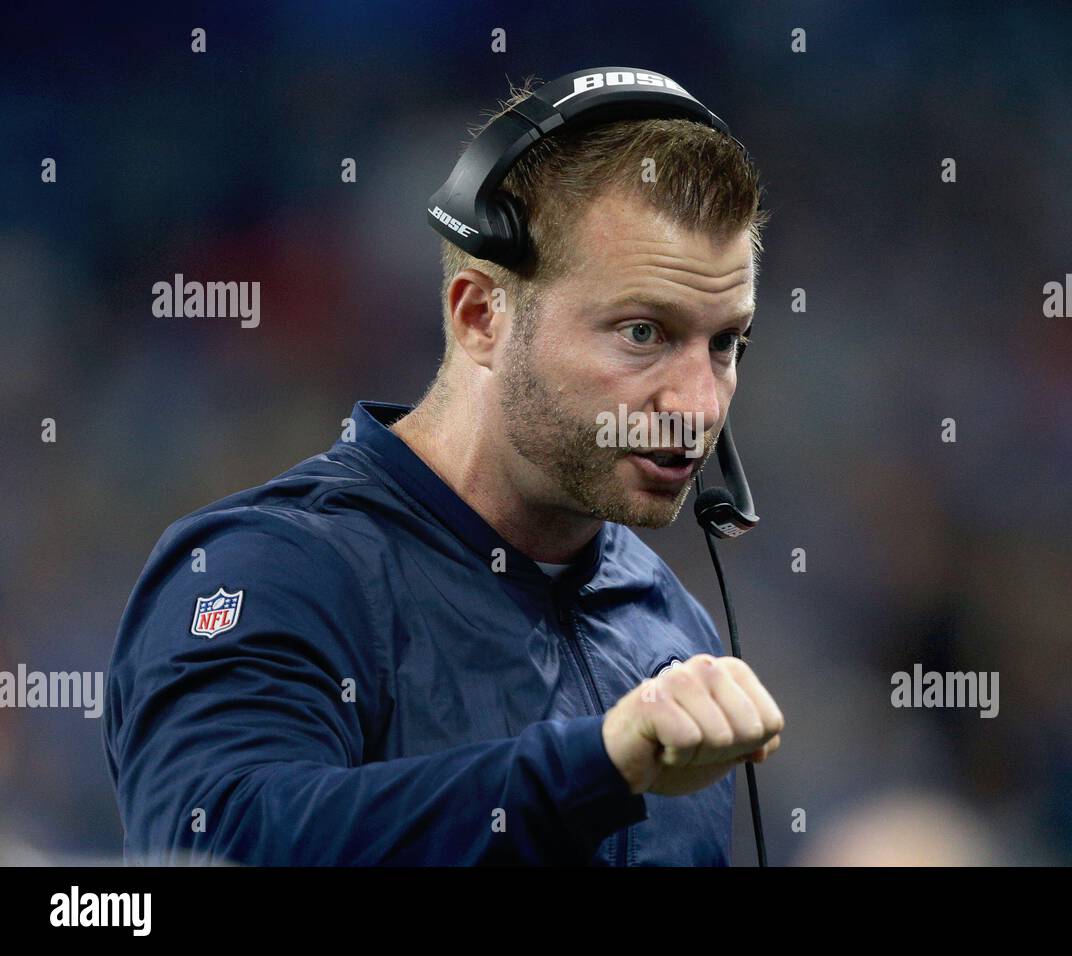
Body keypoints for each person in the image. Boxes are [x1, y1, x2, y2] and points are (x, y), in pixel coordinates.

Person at [103, 75, 783, 866]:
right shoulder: (267, 570)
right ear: (480, 315)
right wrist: (593, 764)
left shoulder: (672, 629)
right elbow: (214, 844)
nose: (697, 405)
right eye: (642, 331)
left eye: (726, 343)